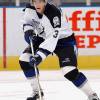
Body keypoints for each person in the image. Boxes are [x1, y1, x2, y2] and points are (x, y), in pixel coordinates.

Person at [19, 0, 100, 100]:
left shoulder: (54, 13)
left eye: (40, 1)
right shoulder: (29, 8)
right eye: (35, 2)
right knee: (24, 59)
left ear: (45, 1)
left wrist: (40, 56)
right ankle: (37, 92)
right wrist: (28, 31)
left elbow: (52, 39)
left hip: (64, 41)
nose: (37, 4)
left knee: (69, 71)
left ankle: (92, 95)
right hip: (43, 37)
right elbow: (26, 20)